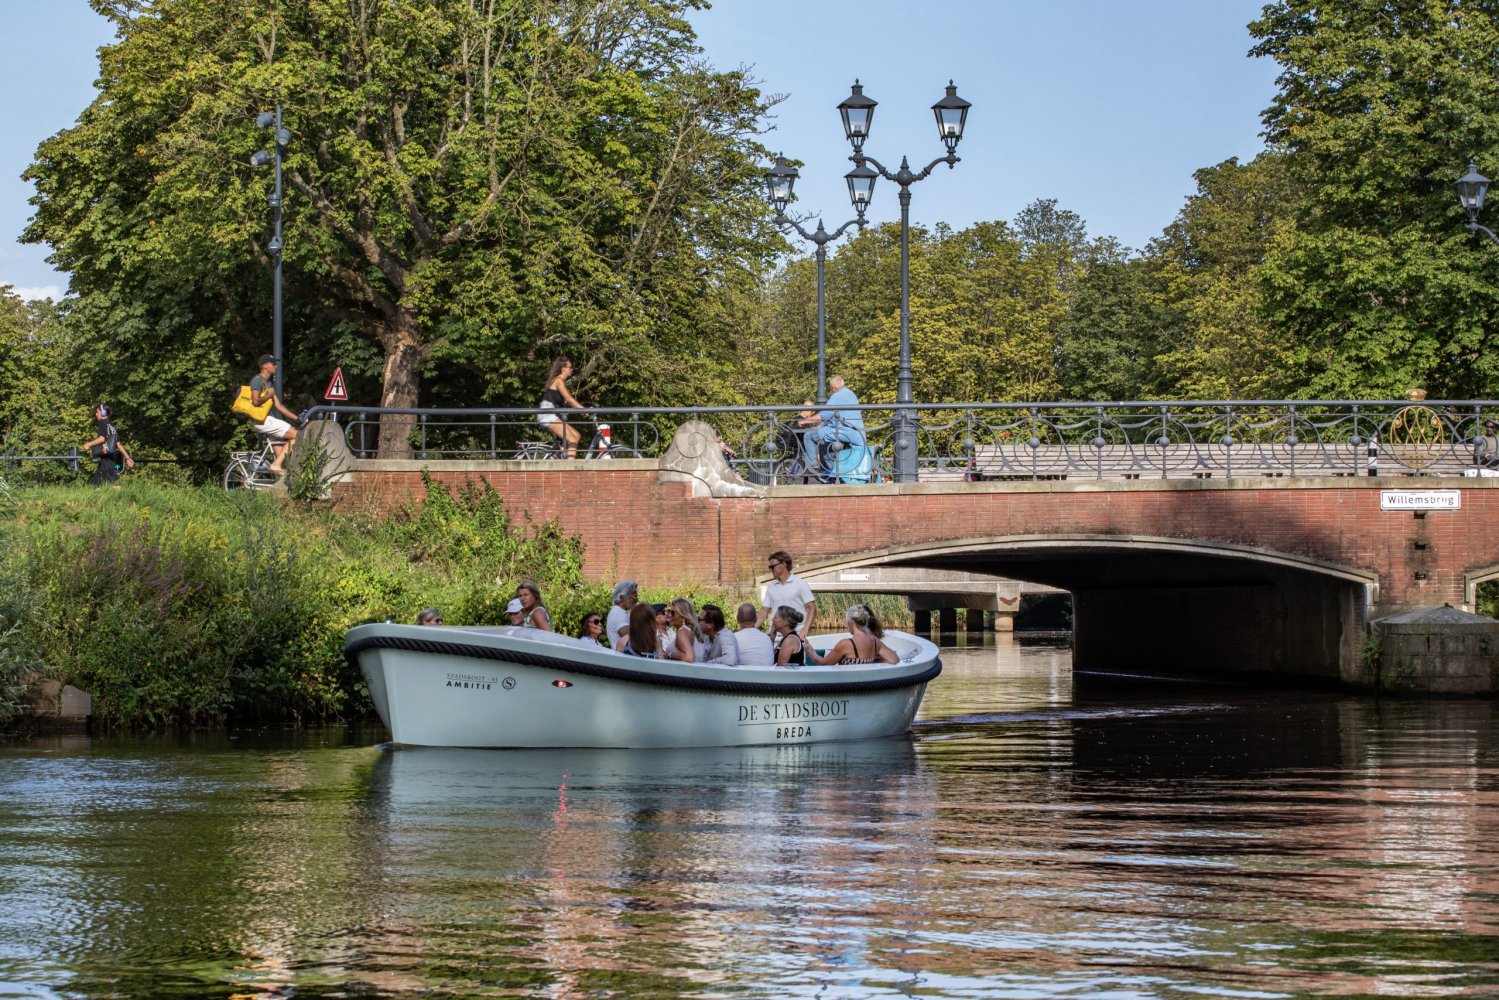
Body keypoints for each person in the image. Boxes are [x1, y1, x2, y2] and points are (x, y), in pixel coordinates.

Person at [249, 354, 300, 475]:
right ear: (265, 366)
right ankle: (275, 465)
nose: (276, 366)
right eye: (273, 364)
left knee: (284, 462)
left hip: (268, 421)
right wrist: (268, 395)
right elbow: (255, 401)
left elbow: (279, 406)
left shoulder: (268, 383)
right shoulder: (257, 381)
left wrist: (297, 418)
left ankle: (282, 477)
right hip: (264, 420)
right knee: (297, 435)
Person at [804, 375, 865, 474]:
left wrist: (805, 421)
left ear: (833, 388)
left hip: (843, 432)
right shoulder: (851, 393)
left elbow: (823, 415)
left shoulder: (836, 396)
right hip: (858, 434)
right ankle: (834, 476)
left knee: (808, 436)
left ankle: (813, 467)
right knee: (827, 454)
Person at [809, 603, 899, 665]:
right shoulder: (876, 642)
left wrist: (810, 651)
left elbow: (823, 663)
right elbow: (894, 659)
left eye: (847, 622)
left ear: (851, 622)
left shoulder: (846, 644)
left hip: (848, 685)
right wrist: (875, 661)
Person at [758, 550, 815, 639]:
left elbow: (812, 608)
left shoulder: (800, 583)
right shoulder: (771, 587)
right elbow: (764, 611)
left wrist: (806, 629)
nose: (771, 569)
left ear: (784, 564)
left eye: (773, 566)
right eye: (770, 567)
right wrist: (753, 628)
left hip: (797, 635)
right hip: (776, 636)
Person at [538, 356, 584, 459]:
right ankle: (570, 466)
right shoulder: (558, 380)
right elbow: (569, 398)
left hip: (552, 415)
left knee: (576, 436)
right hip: (547, 415)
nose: (572, 369)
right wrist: (584, 410)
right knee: (572, 438)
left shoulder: (558, 381)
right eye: (570, 367)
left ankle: (564, 459)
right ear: (563, 368)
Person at [82, 404, 134, 486]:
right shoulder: (111, 426)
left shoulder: (102, 422)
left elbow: (102, 438)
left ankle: (119, 493)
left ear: (103, 413)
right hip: (111, 459)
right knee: (96, 483)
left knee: (111, 483)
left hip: (106, 459)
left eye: (97, 412)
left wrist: (89, 444)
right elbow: (118, 444)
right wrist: (127, 458)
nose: (96, 414)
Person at [665, 597, 704, 661]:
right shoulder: (688, 631)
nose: (669, 615)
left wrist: (669, 654)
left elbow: (689, 657)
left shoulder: (682, 632)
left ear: (683, 615)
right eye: (668, 611)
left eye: (673, 613)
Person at [606, 580, 638, 649]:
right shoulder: (619, 614)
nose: (636, 600)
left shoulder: (618, 611)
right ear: (621, 597)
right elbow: (631, 639)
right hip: (623, 655)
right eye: (634, 596)